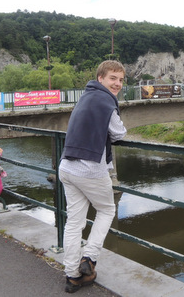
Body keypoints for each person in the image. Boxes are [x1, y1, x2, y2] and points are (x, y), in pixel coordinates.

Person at [58, 60, 127, 293]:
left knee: (74, 222)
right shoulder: (106, 100)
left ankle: (72, 276)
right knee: (107, 210)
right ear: (101, 78)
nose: (117, 84)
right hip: (89, 170)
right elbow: (118, 133)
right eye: (113, 79)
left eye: (120, 80)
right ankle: (89, 258)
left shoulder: (86, 96)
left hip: (67, 166)